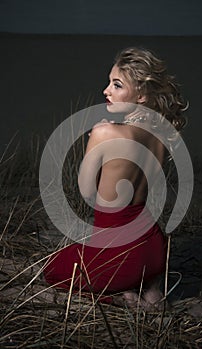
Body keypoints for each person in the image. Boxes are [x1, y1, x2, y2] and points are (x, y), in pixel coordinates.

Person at [44, 47, 187, 310]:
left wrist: (97, 147)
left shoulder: (105, 132)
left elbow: (87, 192)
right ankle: (150, 289)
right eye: (110, 82)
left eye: (117, 84)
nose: (106, 90)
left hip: (118, 252)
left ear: (141, 95)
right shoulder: (161, 136)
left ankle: (121, 297)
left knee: (52, 269)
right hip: (155, 250)